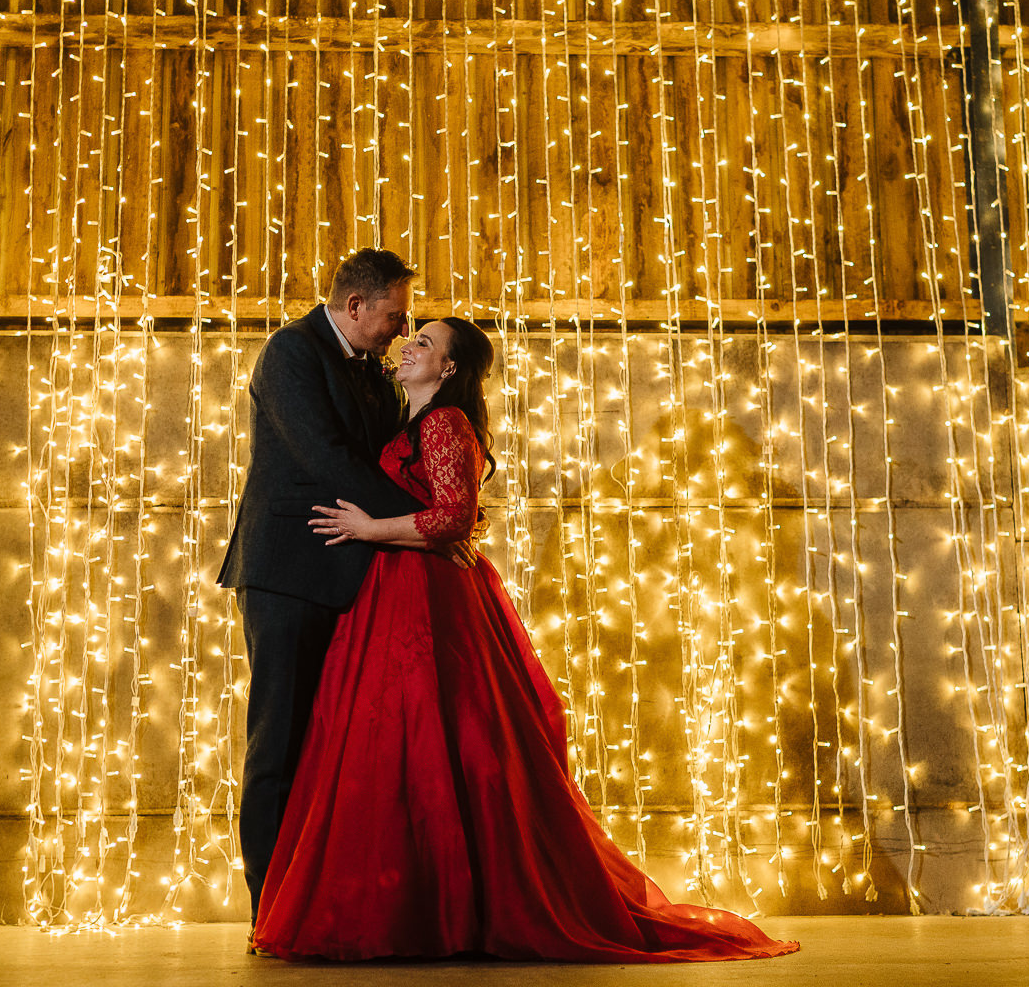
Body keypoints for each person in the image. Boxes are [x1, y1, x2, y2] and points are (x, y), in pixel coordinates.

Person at [250, 317, 798, 963]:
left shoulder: (443, 424)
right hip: (396, 595)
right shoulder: (408, 419)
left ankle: (448, 907)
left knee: (446, 740)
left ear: (450, 369)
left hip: (428, 599)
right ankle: (412, 902)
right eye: (409, 335)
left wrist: (372, 530)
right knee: (401, 744)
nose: (407, 344)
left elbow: (453, 516)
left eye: (423, 341)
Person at [217, 248, 434, 941]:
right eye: (394, 316)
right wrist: (419, 521)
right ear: (355, 306)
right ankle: (270, 912)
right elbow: (325, 457)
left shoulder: (374, 372)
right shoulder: (290, 352)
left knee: (331, 749)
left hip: (352, 576)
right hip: (286, 575)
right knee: (277, 744)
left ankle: (316, 902)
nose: (401, 331)